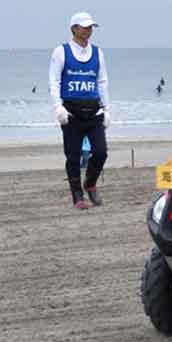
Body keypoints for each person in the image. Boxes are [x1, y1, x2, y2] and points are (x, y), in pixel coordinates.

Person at [49, 11, 110, 209]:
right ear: (74, 28)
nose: (88, 30)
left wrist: (106, 109)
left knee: (100, 152)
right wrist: (58, 107)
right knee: (73, 156)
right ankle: (78, 196)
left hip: (93, 112)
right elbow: (54, 81)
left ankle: (90, 184)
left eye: (91, 27)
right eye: (84, 27)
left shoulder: (98, 52)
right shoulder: (61, 52)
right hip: (71, 113)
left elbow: (102, 81)